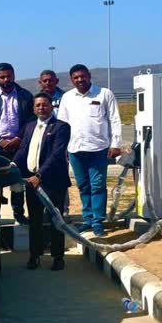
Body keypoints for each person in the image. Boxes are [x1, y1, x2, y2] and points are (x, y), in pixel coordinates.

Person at [58, 64, 122, 237]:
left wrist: (115, 144)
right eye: (76, 77)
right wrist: (61, 148)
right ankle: (87, 219)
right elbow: (62, 125)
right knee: (83, 186)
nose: (80, 80)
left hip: (98, 149)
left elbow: (114, 120)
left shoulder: (104, 94)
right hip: (75, 149)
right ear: (71, 79)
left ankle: (98, 221)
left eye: (83, 76)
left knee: (97, 186)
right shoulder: (67, 97)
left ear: (89, 76)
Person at [13, 93, 71, 271]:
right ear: (33, 108)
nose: (41, 108)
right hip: (31, 182)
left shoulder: (61, 127)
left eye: (45, 105)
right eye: (37, 105)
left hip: (52, 182)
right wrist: (12, 165)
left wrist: (40, 175)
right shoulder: (30, 126)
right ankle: (34, 255)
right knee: (35, 221)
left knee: (56, 221)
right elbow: (23, 149)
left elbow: (56, 154)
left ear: (51, 107)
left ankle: (58, 257)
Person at [0, 62, 35, 224]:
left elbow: (31, 119)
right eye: (2, 77)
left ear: (14, 75)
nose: (6, 79)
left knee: (18, 182)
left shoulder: (25, 96)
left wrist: (19, 138)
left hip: (19, 145)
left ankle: (19, 214)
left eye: (9, 76)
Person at [38, 69, 70, 220]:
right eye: (44, 81)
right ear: (40, 82)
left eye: (51, 80)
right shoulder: (37, 100)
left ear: (56, 81)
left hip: (61, 140)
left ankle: (63, 209)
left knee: (60, 175)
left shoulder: (66, 97)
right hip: (43, 143)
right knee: (43, 173)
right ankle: (44, 210)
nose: (48, 83)